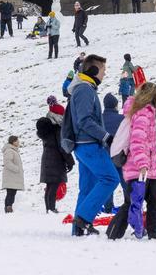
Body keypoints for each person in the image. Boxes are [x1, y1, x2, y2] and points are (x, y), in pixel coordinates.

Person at [63, 54, 119, 237]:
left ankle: (78, 229)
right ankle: (84, 219)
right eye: (103, 70)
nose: (104, 74)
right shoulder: (85, 91)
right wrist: (106, 137)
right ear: (94, 70)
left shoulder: (84, 89)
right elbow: (84, 120)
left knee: (87, 187)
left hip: (83, 146)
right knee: (110, 178)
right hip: (89, 145)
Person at [119, 82, 156, 239]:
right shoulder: (144, 113)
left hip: (147, 168)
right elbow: (138, 141)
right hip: (141, 168)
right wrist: (143, 165)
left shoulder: (143, 112)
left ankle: (155, 233)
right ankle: (154, 233)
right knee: (143, 203)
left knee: (149, 201)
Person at [35, 112, 72, 213]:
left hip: (47, 159)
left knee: (50, 186)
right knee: (54, 186)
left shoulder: (46, 133)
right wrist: (70, 161)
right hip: (56, 160)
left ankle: (49, 208)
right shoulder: (56, 131)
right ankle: (51, 209)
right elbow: (62, 147)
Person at [1, 136, 25, 213]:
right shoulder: (9, 151)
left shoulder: (13, 150)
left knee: (12, 193)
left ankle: (9, 207)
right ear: (13, 142)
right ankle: (8, 208)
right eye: (17, 141)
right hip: (11, 176)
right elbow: (7, 162)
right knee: (10, 193)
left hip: (13, 176)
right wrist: (16, 169)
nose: (18, 143)